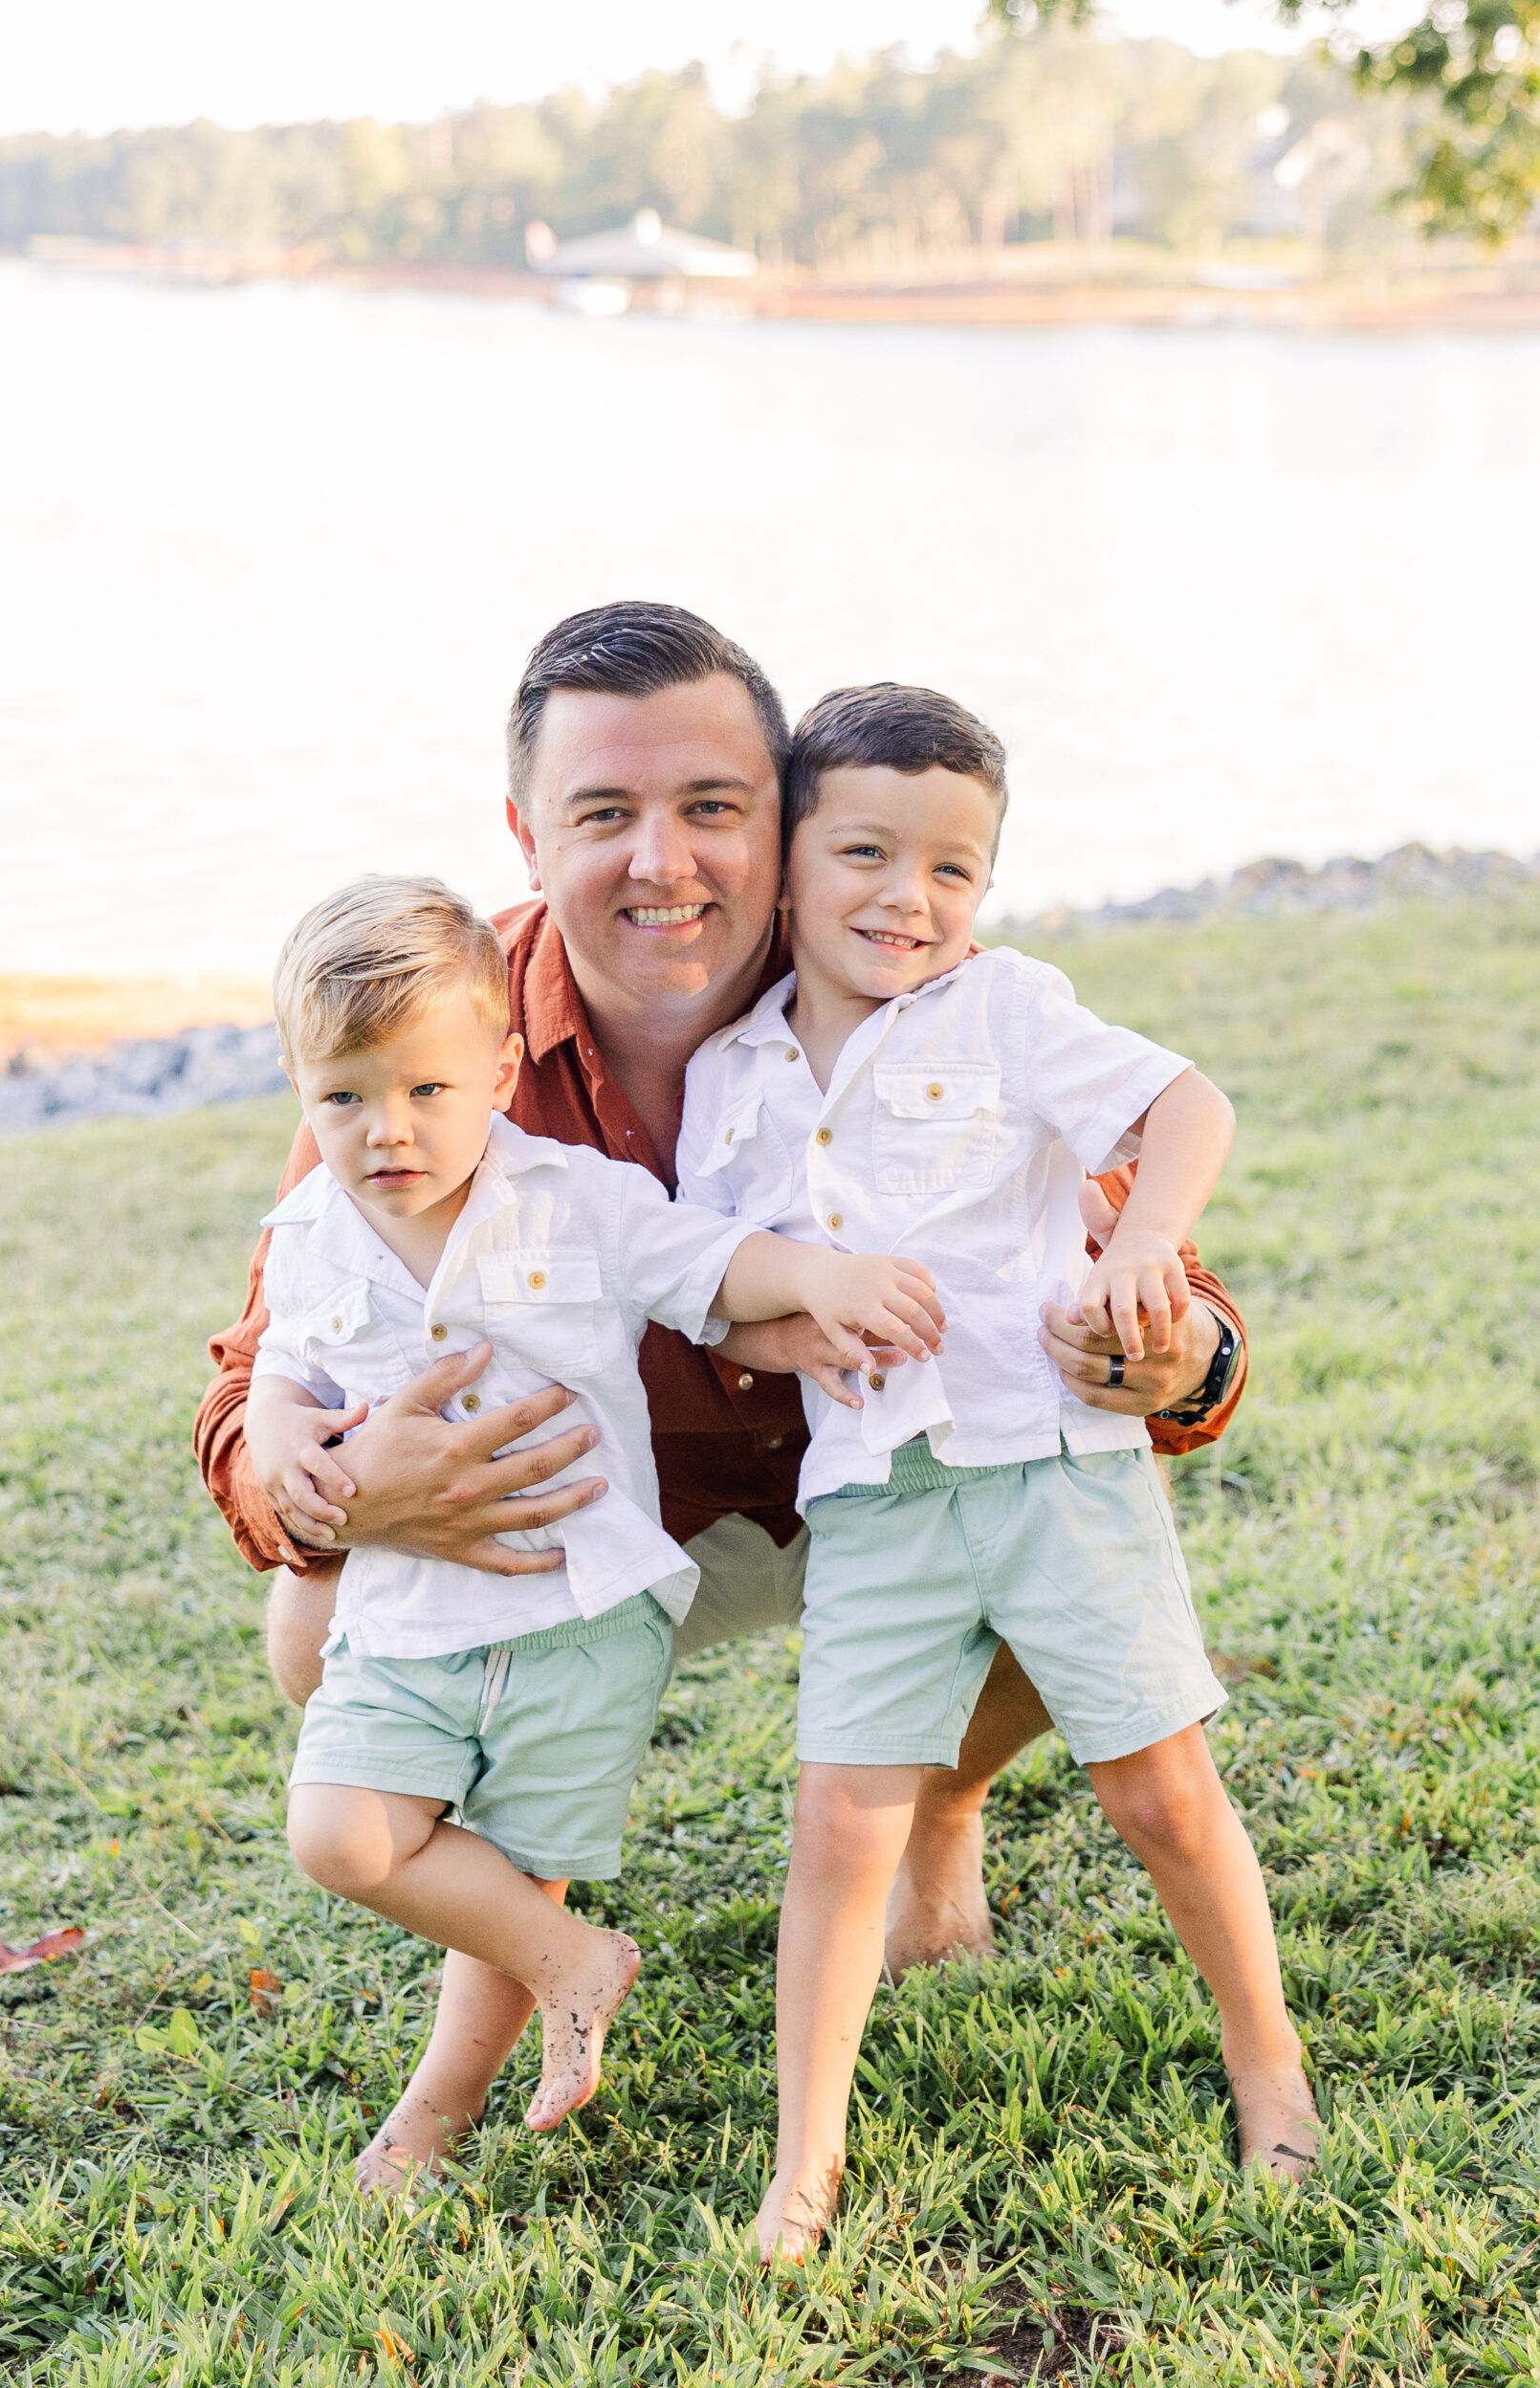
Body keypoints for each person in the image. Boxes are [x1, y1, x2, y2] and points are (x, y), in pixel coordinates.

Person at [194, 600, 1248, 2059]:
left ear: (790, 823)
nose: (662, 861)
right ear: (527, 833)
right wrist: (305, 1475)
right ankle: (531, 1942)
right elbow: (258, 1370)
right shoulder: (432, 1040)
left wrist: (1179, 1355)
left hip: (887, 1486)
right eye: (605, 812)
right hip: (609, 1524)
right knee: (313, 1620)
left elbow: (1162, 1270)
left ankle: (943, 1795)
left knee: (1056, 1500)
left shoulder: (900, 974)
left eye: (712, 809)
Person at [676, 683, 1317, 2260]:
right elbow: (708, 1297)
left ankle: (1274, 2078)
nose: (911, 897)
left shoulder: (1007, 1007)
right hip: (877, 1499)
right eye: (870, 853)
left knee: (1159, 1789)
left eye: (954, 869)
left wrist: (1148, 1245)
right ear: (789, 858)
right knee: (841, 1822)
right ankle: (804, 2166)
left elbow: (1188, 1104)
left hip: (1056, 1470)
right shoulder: (732, 1074)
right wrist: (790, 1335)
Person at [251, 873, 946, 2183]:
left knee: (516, 1871)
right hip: (408, 1616)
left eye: (425, 1091)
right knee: (339, 1836)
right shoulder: (310, 1232)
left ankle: (432, 2119)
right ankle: (575, 1963)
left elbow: (717, 1266)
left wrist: (823, 1286)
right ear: (298, 1091)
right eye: (341, 1097)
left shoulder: (573, 1198)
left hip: (578, 1611)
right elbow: (284, 1367)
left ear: (500, 1070)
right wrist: (288, 1438)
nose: (385, 1131)